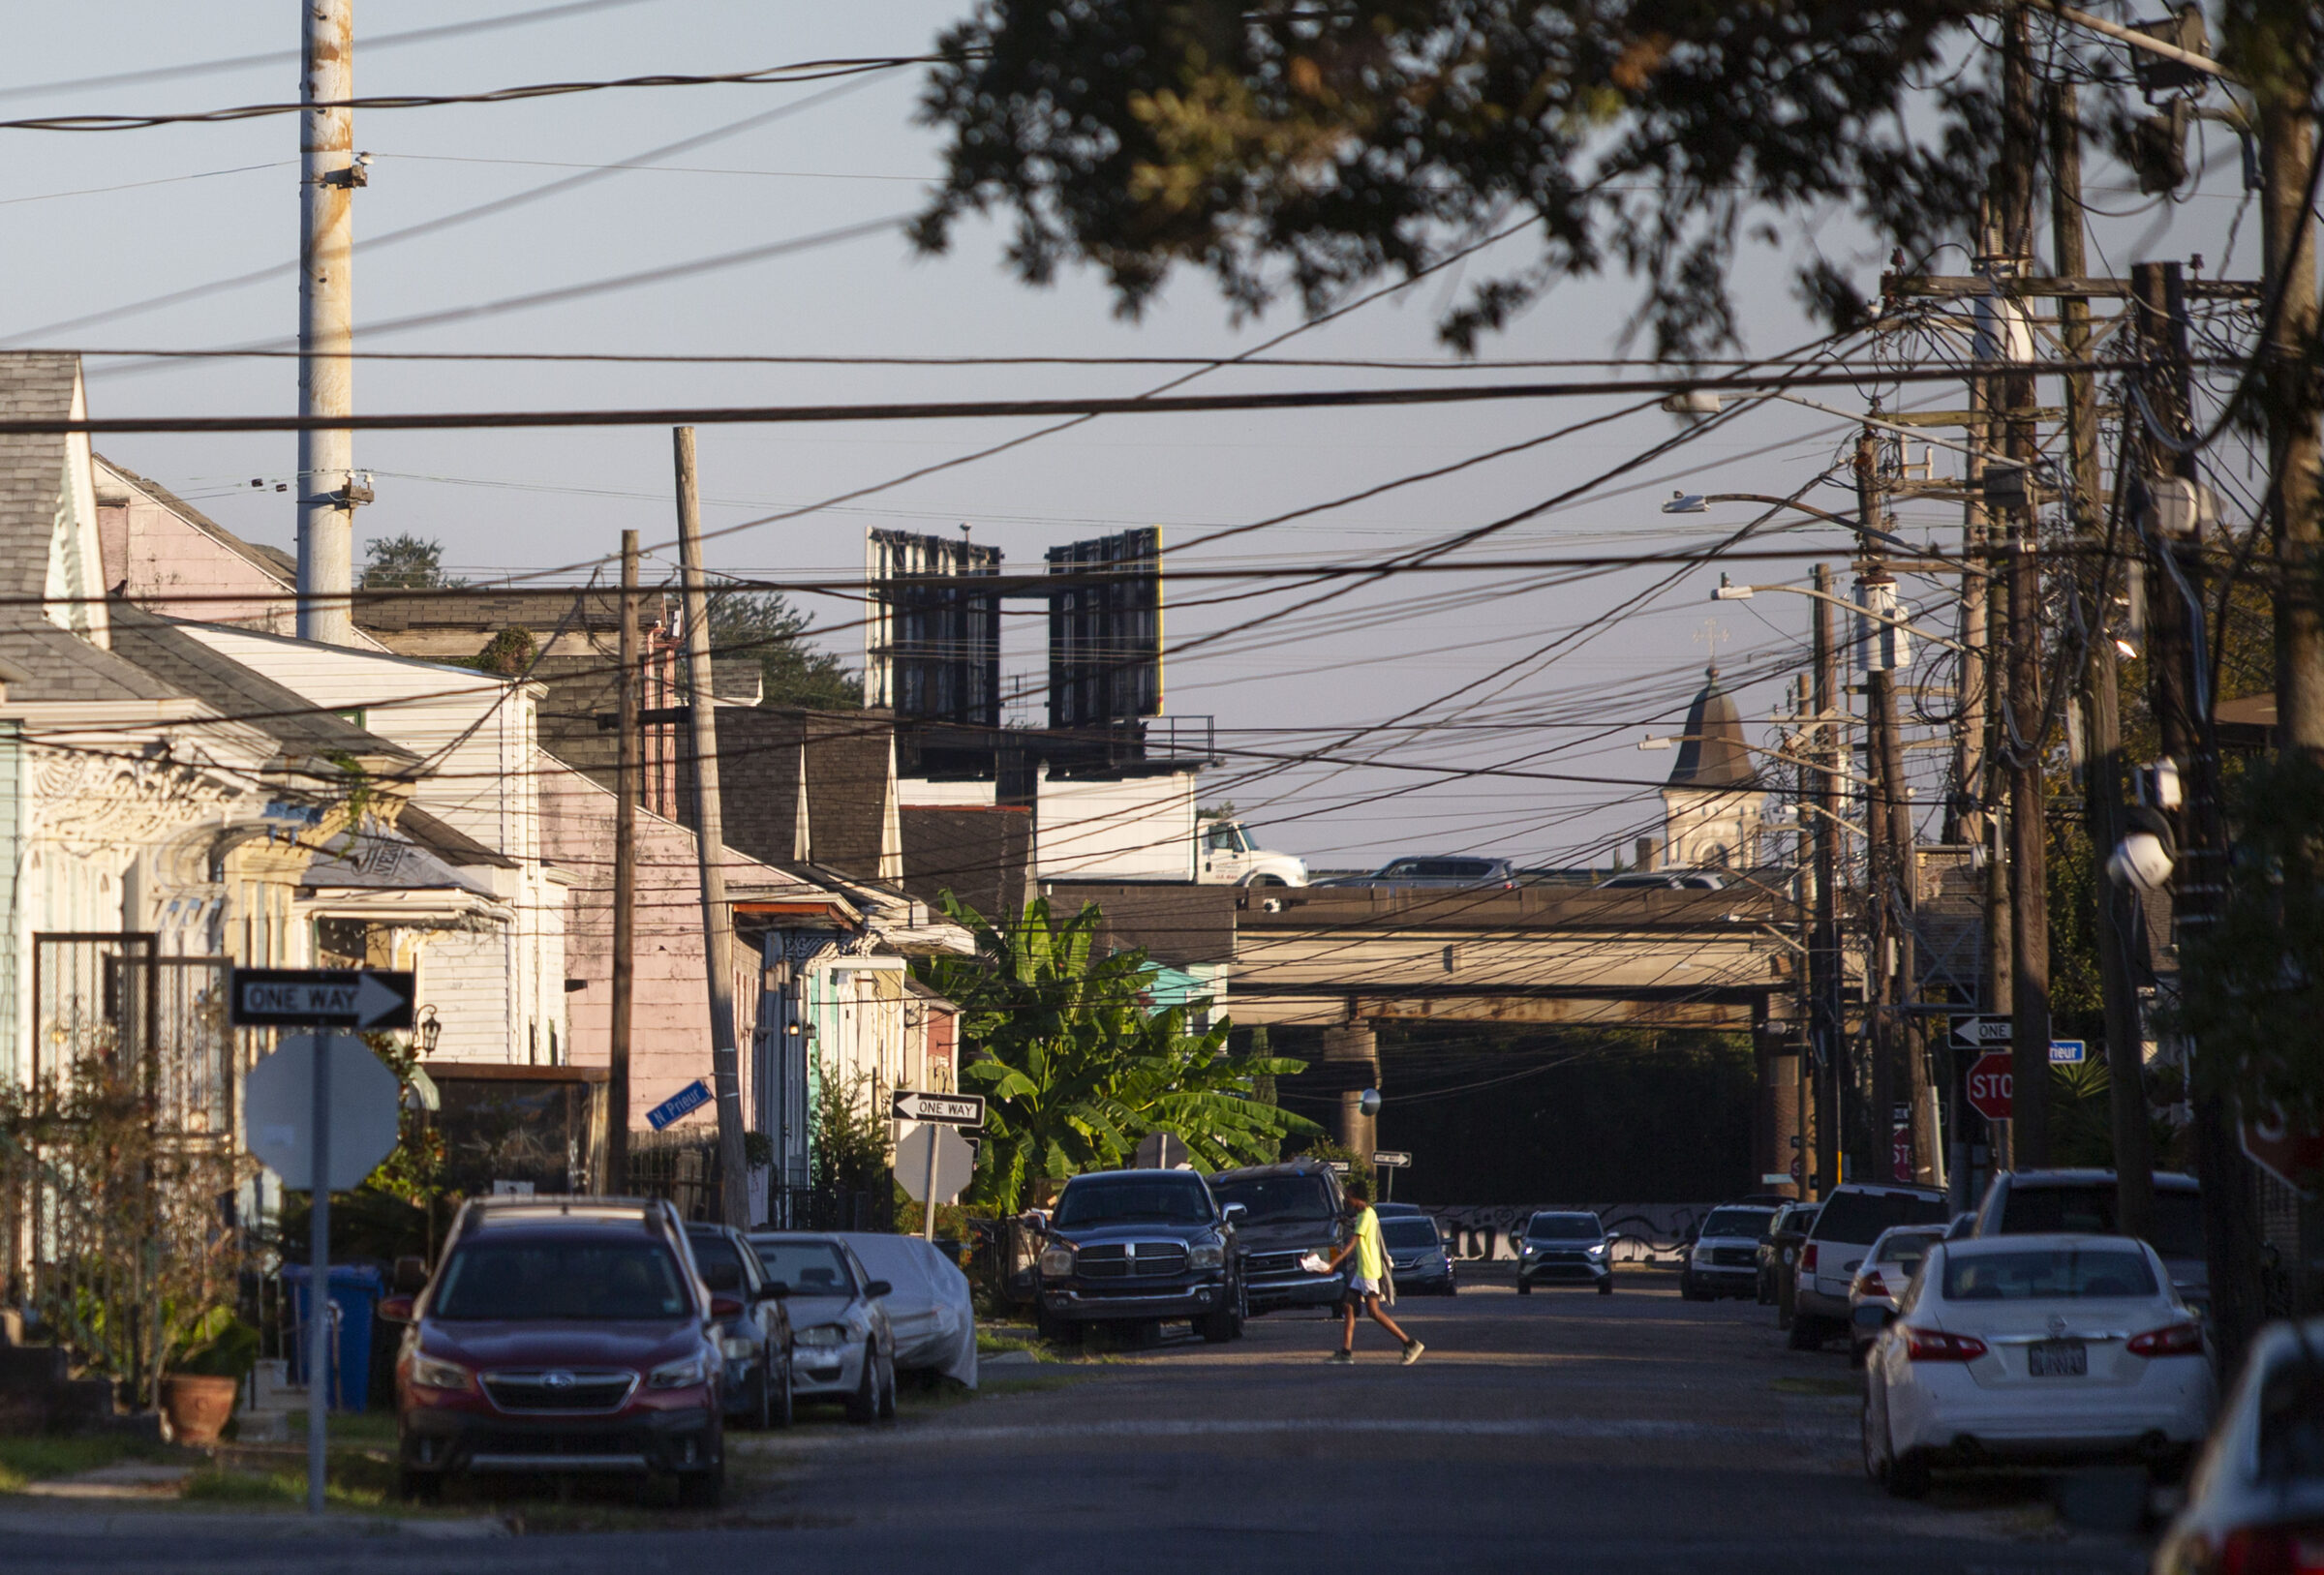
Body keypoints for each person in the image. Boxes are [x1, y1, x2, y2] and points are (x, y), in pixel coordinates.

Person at [1320, 1180, 1423, 1366]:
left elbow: (1353, 1243)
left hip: (1368, 1270)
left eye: (1349, 1196)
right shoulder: (1364, 1215)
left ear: (1357, 1197)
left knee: (1374, 1312)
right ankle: (1345, 1351)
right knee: (1348, 1306)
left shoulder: (1366, 1216)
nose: (1347, 1200)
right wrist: (1348, 1223)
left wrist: (1332, 1264)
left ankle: (1410, 1343)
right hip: (1362, 1271)